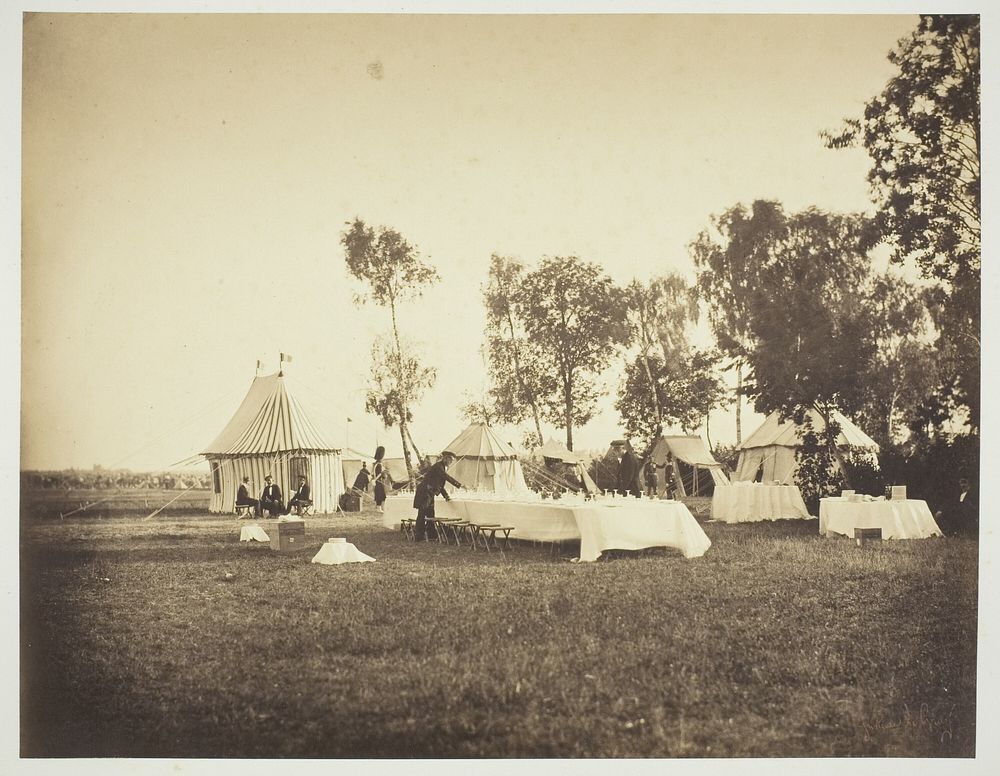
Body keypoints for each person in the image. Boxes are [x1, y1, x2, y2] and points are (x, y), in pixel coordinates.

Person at [413, 451, 465, 541]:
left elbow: (439, 484)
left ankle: (431, 535)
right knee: (422, 513)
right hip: (425, 492)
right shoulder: (438, 466)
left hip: (430, 493)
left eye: (452, 461)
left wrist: (446, 495)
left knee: (430, 513)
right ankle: (418, 536)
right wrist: (459, 485)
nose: (451, 462)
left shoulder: (442, 467)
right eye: (450, 460)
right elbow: (446, 477)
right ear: (445, 458)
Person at [372, 446, 390, 513]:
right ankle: (378, 508)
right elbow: (379, 474)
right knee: (380, 495)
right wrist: (384, 473)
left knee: (379, 495)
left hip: (377, 481)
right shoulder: (379, 465)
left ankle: (378, 507)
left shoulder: (376, 464)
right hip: (378, 481)